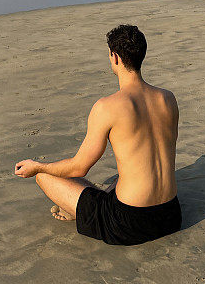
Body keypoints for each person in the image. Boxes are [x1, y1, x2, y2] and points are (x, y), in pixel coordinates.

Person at [14, 24, 182, 245]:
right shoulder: (168, 99)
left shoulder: (107, 107)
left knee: (45, 177)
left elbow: (79, 168)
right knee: (120, 180)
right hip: (171, 215)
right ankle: (79, 207)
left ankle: (76, 210)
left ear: (114, 58)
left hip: (129, 223)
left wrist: (37, 166)